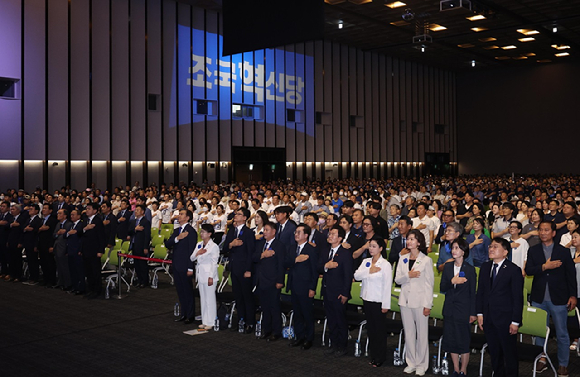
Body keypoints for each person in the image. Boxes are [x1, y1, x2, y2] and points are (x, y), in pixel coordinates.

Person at [525, 221, 577, 377]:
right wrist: (544, 267)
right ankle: (541, 359)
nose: (543, 233)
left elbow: (570, 275)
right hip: (539, 298)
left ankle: (563, 364)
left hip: (559, 298)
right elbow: (528, 270)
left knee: (562, 333)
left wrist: (573, 295)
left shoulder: (563, 251)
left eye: (546, 230)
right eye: (540, 230)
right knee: (540, 332)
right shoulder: (533, 250)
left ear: (554, 233)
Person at [476, 237, 524, 377]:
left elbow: (517, 298)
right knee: (494, 352)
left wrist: (515, 321)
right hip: (489, 317)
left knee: (509, 353)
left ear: (505, 252)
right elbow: (481, 292)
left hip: (506, 318)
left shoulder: (513, 270)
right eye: (490, 246)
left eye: (495, 247)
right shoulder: (485, 267)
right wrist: (480, 313)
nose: (491, 249)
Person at [394, 229, 434, 376]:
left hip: (420, 301)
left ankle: (422, 364)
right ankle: (411, 362)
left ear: (419, 242)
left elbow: (429, 285)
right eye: (408, 239)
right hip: (405, 301)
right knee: (409, 333)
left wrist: (427, 304)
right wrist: (408, 275)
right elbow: (397, 279)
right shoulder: (402, 258)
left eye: (412, 239)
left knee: (422, 334)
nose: (409, 241)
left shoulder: (426, 260)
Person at [353, 236, 392, 367]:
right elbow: (357, 275)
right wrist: (369, 271)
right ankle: (373, 355)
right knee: (371, 330)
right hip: (367, 300)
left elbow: (387, 286)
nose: (371, 249)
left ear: (381, 248)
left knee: (379, 331)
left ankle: (380, 357)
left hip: (379, 301)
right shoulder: (366, 262)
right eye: (370, 246)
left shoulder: (385, 264)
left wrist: (386, 304)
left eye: (374, 246)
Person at [440, 238, 477, 377]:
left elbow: (473, 293)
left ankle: (464, 369)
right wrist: (452, 281)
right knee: (451, 339)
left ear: (463, 251)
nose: (454, 251)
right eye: (453, 248)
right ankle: (455, 368)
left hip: (464, 309)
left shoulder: (470, 269)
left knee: (463, 339)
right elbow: (442, 287)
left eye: (457, 248)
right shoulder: (448, 267)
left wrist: (473, 313)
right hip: (449, 308)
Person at [321, 226, 353, 357]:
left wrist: (345, 293)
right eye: (329, 233)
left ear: (340, 238)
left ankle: (342, 346)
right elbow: (318, 266)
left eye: (333, 234)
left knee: (340, 320)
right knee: (331, 320)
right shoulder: (325, 250)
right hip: (327, 291)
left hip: (339, 293)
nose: (330, 235)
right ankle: (333, 345)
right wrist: (325, 266)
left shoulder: (345, 253)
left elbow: (348, 275)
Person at [286, 223, 318, 350]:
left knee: (307, 314)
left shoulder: (311, 250)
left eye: (299, 232)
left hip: (306, 286)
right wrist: (296, 260)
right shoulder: (292, 248)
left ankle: (309, 338)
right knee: (297, 313)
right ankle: (299, 337)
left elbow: (314, 271)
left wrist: (312, 288)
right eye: (295, 232)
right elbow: (286, 262)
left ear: (306, 235)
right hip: (294, 284)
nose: (296, 234)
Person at [224, 208, 257, 333]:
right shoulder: (232, 231)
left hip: (244, 269)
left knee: (247, 297)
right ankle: (241, 320)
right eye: (235, 214)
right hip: (234, 267)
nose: (236, 216)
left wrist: (248, 269)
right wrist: (231, 244)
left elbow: (251, 253)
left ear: (245, 218)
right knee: (238, 296)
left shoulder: (248, 233)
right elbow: (225, 248)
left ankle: (250, 322)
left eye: (239, 214)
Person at [253, 222, 285, 341]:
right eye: (264, 230)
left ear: (273, 231)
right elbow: (254, 257)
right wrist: (263, 255)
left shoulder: (279, 245)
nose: (264, 232)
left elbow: (281, 265)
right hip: (261, 280)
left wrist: (280, 281)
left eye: (267, 230)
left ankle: (276, 332)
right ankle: (267, 330)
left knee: (274, 307)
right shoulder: (260, 243)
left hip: (273, 281)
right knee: (265, 308)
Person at [165, 209, 198, 324]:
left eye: (182, 214)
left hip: (185, 266)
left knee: (188, 291)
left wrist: (190, 268)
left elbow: (191, 251)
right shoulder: (177, 231)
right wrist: (177, 238)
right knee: (180, 291)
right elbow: (167, 243)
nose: (179, 216)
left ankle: (190, 315)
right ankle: (183, 314)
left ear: (188, 218)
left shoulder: (191, 231)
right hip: (177, 264)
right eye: (179, 214)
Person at [190, 224, 220, 330]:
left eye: (203, 232)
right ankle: (205, 320)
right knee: (203, 298)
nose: (201, 233)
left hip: (209, 275)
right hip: (200, 274)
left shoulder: (214, 246)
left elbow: (214, 263)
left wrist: (211, 276)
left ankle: (211, 321)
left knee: (210, 299)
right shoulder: (199, 244)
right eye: (201, 231)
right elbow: (192, 258)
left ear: (210, 234)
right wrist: (198, 253)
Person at [81, 202, 106, 298]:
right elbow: (80, 232)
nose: (87, 210)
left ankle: (97, 290)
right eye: (86, 208)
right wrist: (85, 229)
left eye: (89, 209)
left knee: (95, 271)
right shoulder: (86, 220)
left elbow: (101, 237)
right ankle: (90, 289)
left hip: (94, 250)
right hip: (86, 249)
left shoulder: (97, 221)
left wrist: (100, 250)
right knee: (88, 271)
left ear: (95, 211)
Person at [128, 204, 152, 288]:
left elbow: (147, 236)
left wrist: (146, 247)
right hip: (134, 244)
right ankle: (139, 280)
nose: (136, 211)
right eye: (135, 210)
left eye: (138, 210)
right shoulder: (133, 222)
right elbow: (129, 232)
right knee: (136, 264)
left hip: (141, 246)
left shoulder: (146, 222)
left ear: (142, 212)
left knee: (142, 264)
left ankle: (144, 281)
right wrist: (135, 229)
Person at [37, 203, 58, 287]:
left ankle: (51, 280)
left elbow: (52, 233)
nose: (43, 210)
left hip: (48, 244)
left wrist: (51, 245)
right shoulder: (41, 220)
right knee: (43, 262)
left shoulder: (53, 220)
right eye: (43, 208)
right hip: (41, 244)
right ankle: (45, 279)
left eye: (46, 208)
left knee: (50, 263)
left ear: (50, 210)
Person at [21, 204, 42, 284]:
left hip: (33, 242)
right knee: (30, 260)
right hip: (27, 242)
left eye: (32, 209)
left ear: (36, 211)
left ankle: (35, 277)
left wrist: (31, 230)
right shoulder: (28, 219)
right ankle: (31, 276)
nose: (30, 211)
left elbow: (37, 232)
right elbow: (23, 227)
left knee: (34, 261)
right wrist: (25, 229)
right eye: (29, 209)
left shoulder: (38, 220)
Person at [66, 209, 85, 295]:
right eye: (71, 215)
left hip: (77, 251)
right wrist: (68, 233)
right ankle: (74, 286)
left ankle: (80, 288)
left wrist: (80, 250)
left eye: (73, 215)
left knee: (79, 271)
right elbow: (66, 235)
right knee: (72, 270)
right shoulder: (71, 225)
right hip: (70, 250)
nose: (71, 216)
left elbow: (82, 238)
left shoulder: (81, 225)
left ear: (78, 216)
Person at [52, 208, 72, 291]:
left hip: (64, 248)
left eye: (60, 213)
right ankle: (60, 282)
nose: (58, 215)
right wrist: (58, 233)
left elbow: (68, 236)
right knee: (59, 267)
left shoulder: (69, 224)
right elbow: (54, 235)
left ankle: (67, 284)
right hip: (57, 247)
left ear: (65, 215)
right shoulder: (58, 224)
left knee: (65, 267)